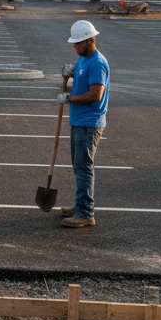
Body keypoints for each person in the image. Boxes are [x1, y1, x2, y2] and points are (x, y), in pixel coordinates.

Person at [58, 21, 110, 228]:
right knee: (79, 166)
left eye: (78, 43)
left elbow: (95, 94)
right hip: (79, 120)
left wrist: (69, 99)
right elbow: (82, 77)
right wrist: (71, 73)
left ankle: (86, 213)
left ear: (90, 40)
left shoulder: (97, 62)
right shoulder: (83, 59)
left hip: (89, 122)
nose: (75, 47)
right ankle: (81, 206)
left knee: (84, 168)